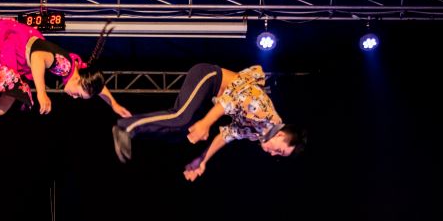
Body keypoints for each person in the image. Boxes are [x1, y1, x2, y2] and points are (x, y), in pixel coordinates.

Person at [0, 18, 131, 156]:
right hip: (10, 51)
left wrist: (113, 103)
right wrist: (41, 93)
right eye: (78, 95)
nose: (74, 97)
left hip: (19, 64)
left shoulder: (79, 70)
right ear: (80, 81)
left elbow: (97, 87)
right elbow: (38, 56)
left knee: (1, 108)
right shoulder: (64, 65)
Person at [110, 63, 305, 179]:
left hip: (209, 97)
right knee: (180, 117)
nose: (273, 154)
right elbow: (229, 102)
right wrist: (205, 123)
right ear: (280, 134)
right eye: (279, 150)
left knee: (180, 134)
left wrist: (202, 160)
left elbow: (226, 135)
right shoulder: (265, 114)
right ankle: (126, 127)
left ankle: (133, 134)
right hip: (209, 77)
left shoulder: (258, 133)